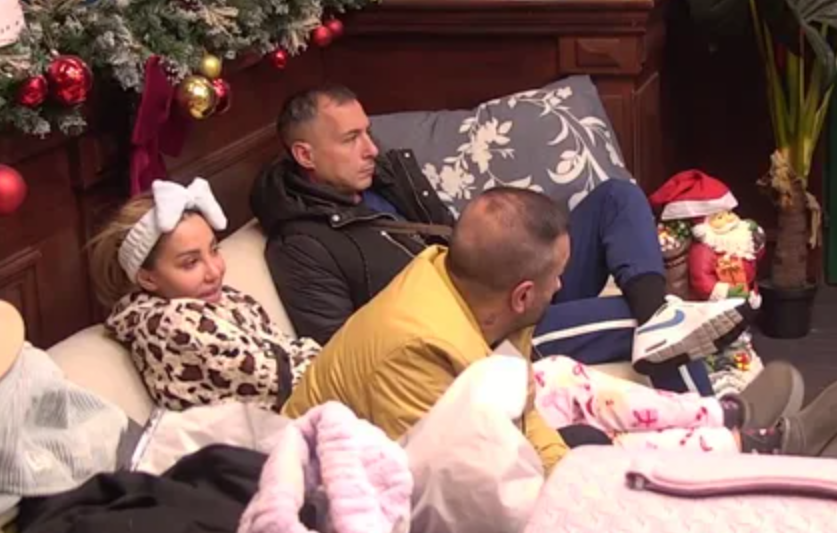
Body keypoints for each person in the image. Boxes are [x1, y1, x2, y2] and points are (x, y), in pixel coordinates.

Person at [282, 187, 837, 475]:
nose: (566, 284)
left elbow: (522, 400)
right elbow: (467, 485)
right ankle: (755, 448)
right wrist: (570, 464)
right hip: (395, 475)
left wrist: (549, 446)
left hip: (462, 423)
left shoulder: (459, 284)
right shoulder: (416, 353)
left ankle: (721, 415)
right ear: (523, 294)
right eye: (557, 277)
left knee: (560, 377)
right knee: (595, 454)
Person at [251, 84, 751, 396]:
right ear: (305, 155)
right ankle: (715, 426)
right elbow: (346, 352)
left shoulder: (386, 179)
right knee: (636, 318)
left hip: (513, 288)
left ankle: (660, 316)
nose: (370, 149)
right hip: (485, 333)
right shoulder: (301, 245)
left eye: (367, 132)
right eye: (350, 139)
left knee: (617, 198)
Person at [88, 178, 321, 413]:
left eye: (214, 250)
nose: (215, 271)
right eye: (191, 263)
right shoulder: (170, 327)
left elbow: (291, 351)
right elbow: (286, 384)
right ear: (147, 278)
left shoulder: (217, 299)